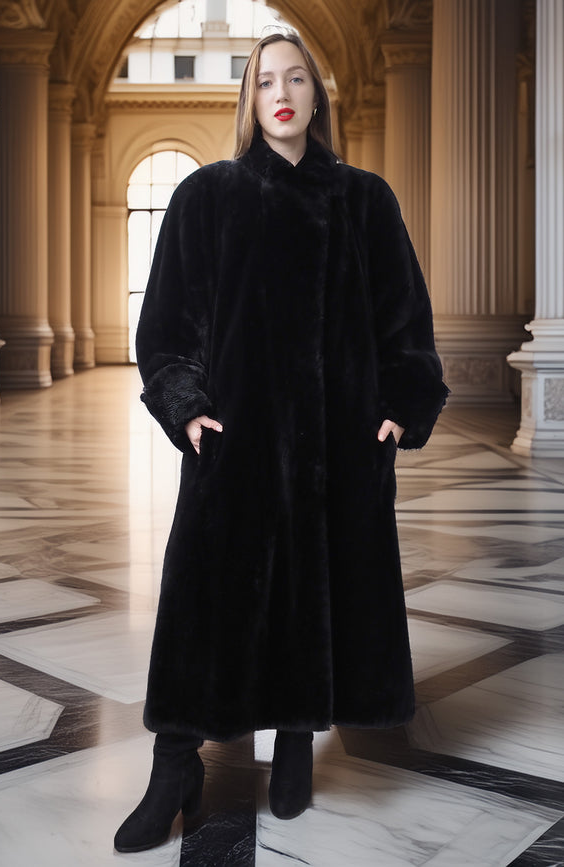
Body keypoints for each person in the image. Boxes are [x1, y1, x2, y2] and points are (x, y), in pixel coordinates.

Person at [114, 31, 448, 853]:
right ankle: (174, 765)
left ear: (317, 95)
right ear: (250, 99)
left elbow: (405, 317)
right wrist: (186, 405)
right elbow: (166, 325)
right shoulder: (206, 197)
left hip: (340, 445)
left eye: (298, 78)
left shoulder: (366, 201)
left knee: (321, 588)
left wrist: (401, 404)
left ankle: (298, 735)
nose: (284, 93)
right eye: (268, 81)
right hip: (235, 443)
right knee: (205, 596)